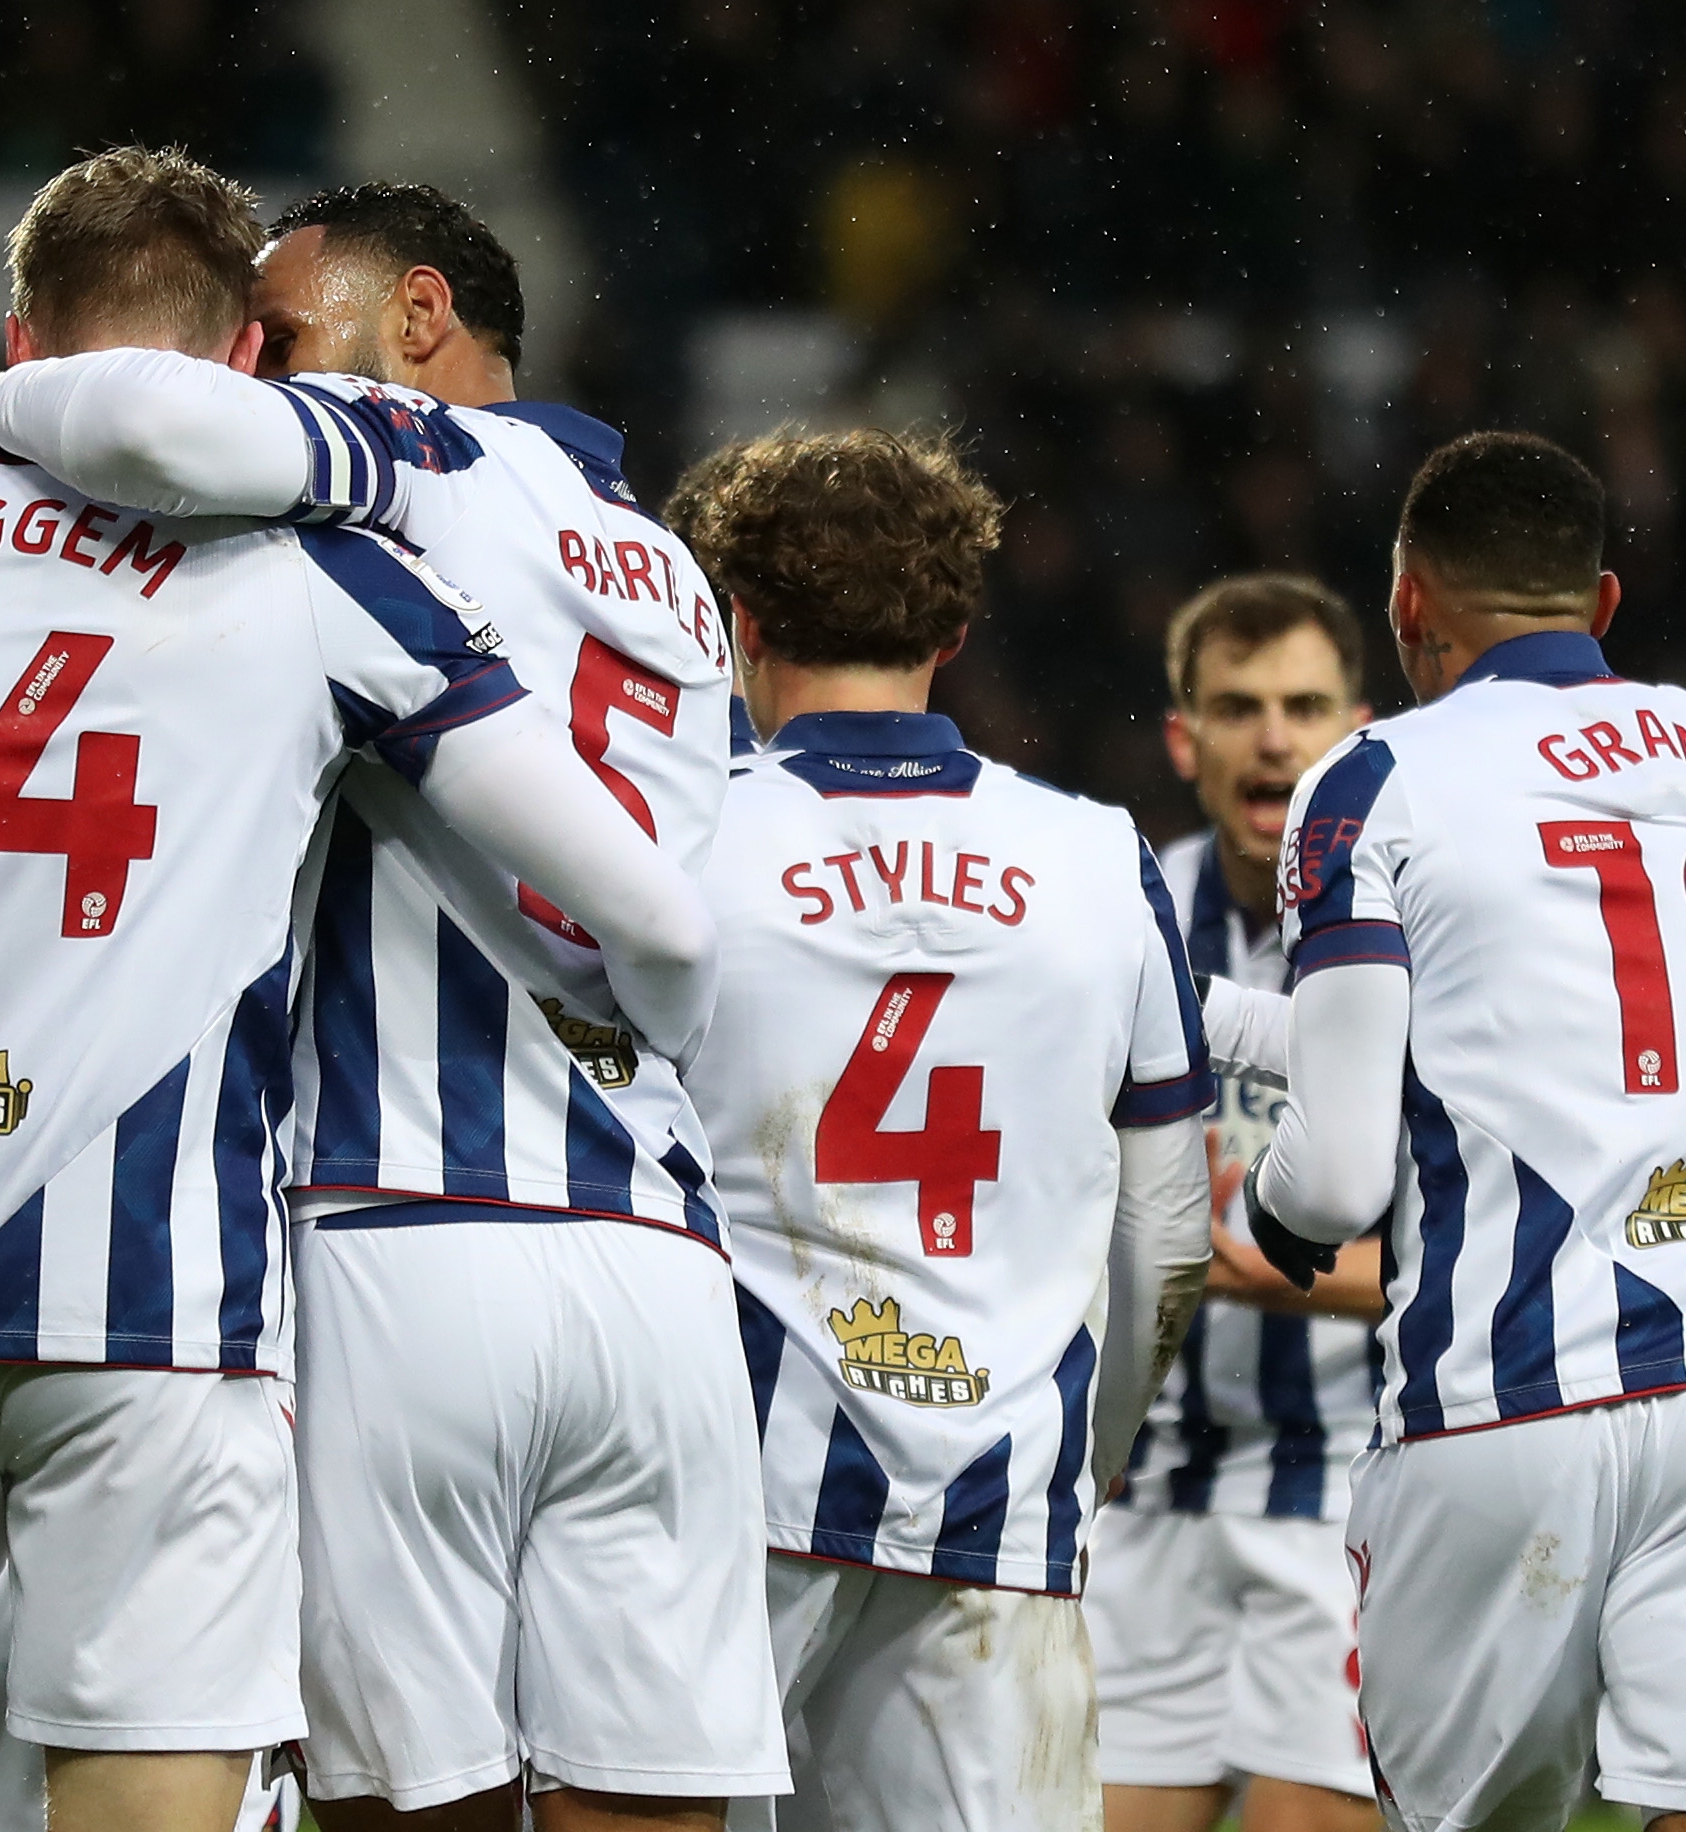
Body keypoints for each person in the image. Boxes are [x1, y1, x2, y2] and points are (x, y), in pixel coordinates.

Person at [0, 148, 724, 1832]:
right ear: (246, 359)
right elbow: (642, 905)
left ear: (23, 341)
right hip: (156, 1311)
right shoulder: (316, 568)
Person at [0, 180, 783, 1832]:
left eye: (275, 332)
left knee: (390, 1799)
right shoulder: (662, 563)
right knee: (644, 1801)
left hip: (394, 1226)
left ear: (413, 319)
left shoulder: (406, 461)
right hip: (650, 1251)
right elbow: (678, 919)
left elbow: (150, 419)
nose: (249, 366)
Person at [666, 429, 1215, 1832]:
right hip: (1000, 1488)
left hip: (728, 1488)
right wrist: (1084, 1451)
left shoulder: (674, 839)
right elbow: (1166, 1228)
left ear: (742, 622)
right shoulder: (1101, 855)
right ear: (957, 628)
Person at [1242, 431, 1686, 1832]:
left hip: (1509, 1399)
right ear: (1602, 604)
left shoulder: (1379, 780)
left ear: (1407, 603)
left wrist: (1269, 1205)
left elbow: (1339, 1178)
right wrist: (1215, 1015)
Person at [1088, 575, 1385, 1832]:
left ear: (1357, 733)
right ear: (1185, 737)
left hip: (1344, 1504)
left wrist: (1286, 1267)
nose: (1274, 735)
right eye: (1240, 705)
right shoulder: (1116, 915)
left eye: (1305, 704)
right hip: (1144, 1501)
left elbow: (1481, 1231)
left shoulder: (1416, 927)